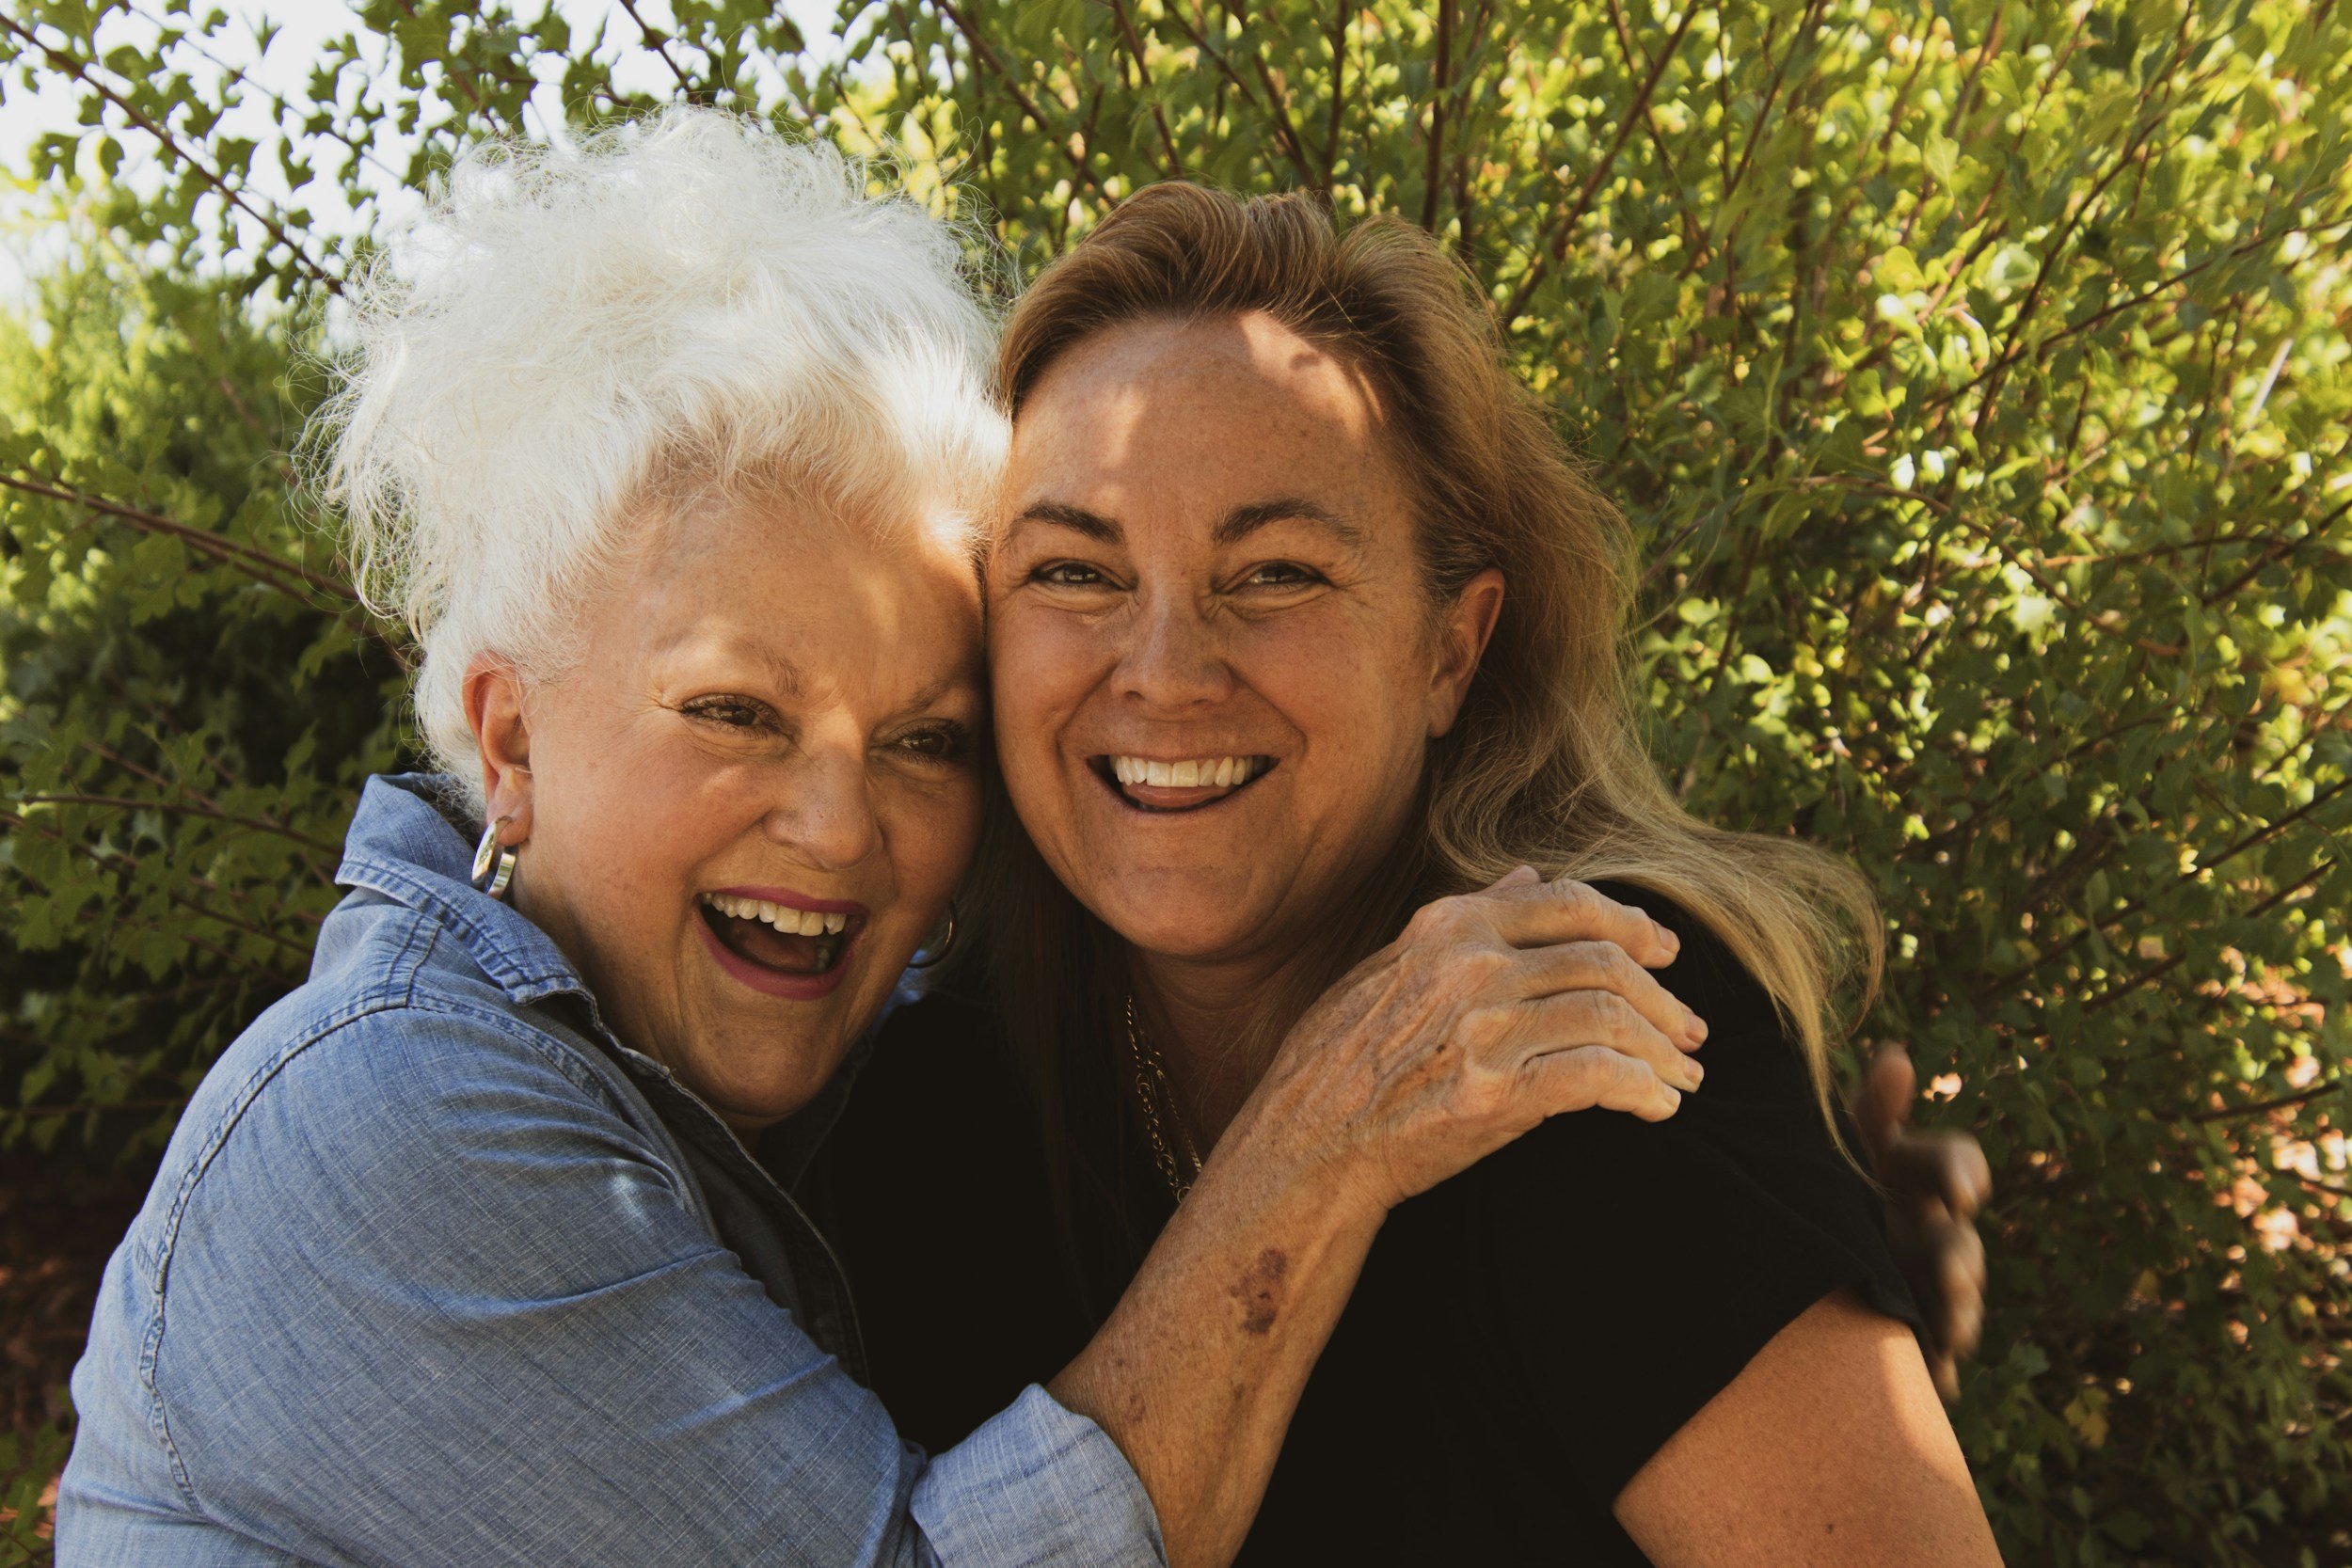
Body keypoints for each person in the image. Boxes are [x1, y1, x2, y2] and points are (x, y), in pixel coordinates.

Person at [56, 116, 1713, 1568]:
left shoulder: (811, 1098)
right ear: (508, 736)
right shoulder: (395, 1122)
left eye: (923, 739)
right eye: (733, 713)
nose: (842, 828)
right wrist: (1322, 1137)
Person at [802, 183, 2005, 1565]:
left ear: (1450, 649)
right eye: (1075, 573)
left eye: (1276, 575)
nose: (1165, 672)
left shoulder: (1583, 1037)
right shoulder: (924, 1110)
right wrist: (1313, 1146)